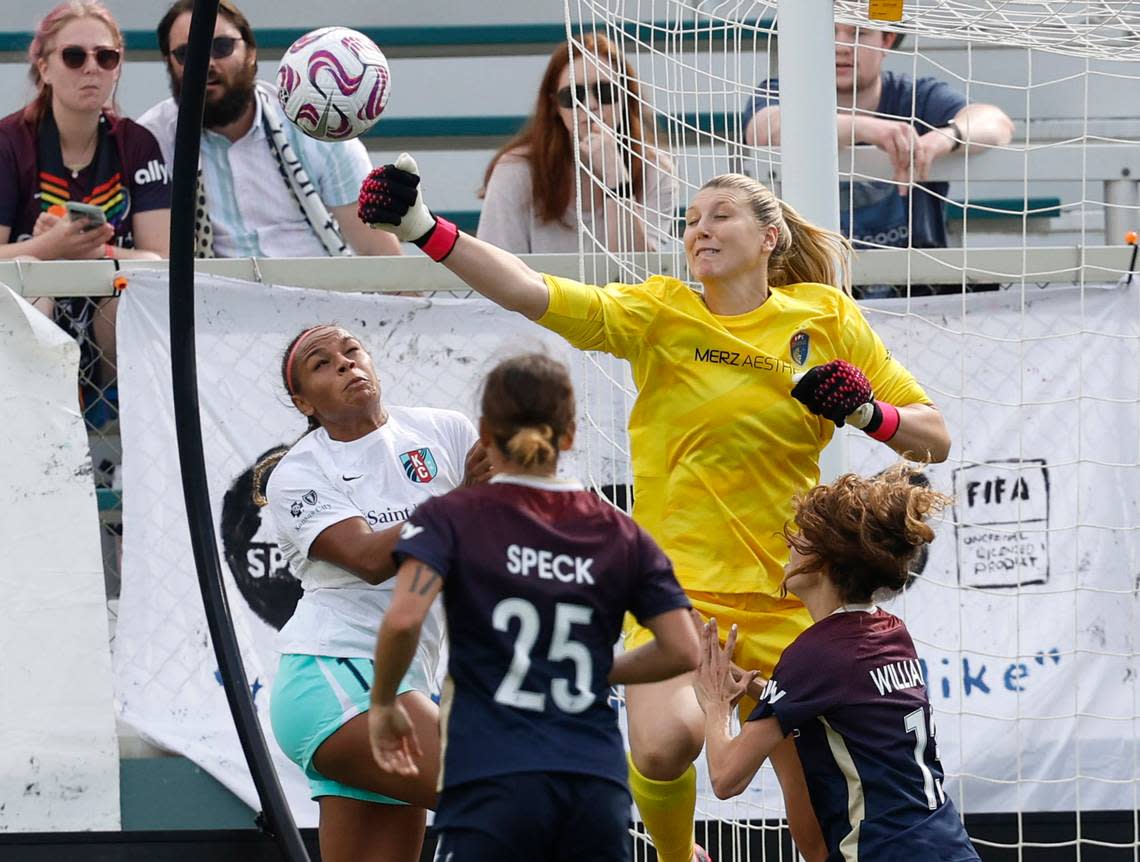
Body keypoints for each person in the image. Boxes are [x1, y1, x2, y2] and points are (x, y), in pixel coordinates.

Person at [358, 155, 952, 862]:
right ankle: (676, 857)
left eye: (720, 215)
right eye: (690, 219)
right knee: (670, 743)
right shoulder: (660, 312)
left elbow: (934, 437)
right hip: (680, 595)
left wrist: (866, 411)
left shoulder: (825, 318)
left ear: (769, 239)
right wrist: (424, 228)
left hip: (794, 600)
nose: (699, 229)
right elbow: (529, 290)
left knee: (816, 833)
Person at [369, 353, 700, 862]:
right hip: (594, 780)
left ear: (484, 431)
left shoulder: (450, 516)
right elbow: (682, 649)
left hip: (491, 777)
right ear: (569, 434)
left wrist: (385, 704)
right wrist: (599, 670)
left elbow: (404, 619)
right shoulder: (620, 531)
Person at [258, 324, 489, 862]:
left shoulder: (444, 430)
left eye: (351, 350)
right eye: (321, 363)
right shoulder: (298, 473)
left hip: (404, 681)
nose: (344, 364)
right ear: (303, 402)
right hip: (337, 678)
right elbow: (368, 559)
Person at [694, 464, 981, 862]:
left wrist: (714, 703)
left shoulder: (815, 654)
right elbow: (842, 704)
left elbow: (726, 778)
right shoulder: (891, 632)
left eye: (799, 538)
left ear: (823, 560)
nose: (788, 547)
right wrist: (761, 689)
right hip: (948, 846)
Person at [0, 0, 171, 424]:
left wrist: (95, 255)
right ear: (44, 67)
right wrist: (47, 248)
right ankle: (35, 430)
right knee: (31, 281)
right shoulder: (8, 142)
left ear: (118, 66)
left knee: (131, 294)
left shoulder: (137, 144)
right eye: (74, 56)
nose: (91, 68)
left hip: (106, 336)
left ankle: (135, 437)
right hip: (28, 331)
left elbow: (161, 260)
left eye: (105, 56)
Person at [139, 0, 400, 260]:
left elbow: (376, 249)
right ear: (169, 63)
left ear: (251, 51)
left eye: (221, 47)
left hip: (320, 293)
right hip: (214, 298)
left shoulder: (312, 121)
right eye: (187, 53)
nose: (206, 63)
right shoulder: (152, 139)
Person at [743, 23, 1014, 254]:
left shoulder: (916, 95)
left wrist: (942, 138)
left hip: (914, 289)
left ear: (887, 40)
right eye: (828, 32)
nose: (841, 47)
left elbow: (996, 122)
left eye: (859, 33)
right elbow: (762, 128)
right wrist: (867, 129)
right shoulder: (783, 91)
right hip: (814, 286)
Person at [477, 32, 677, 253]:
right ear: (554, 105)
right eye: (572, 96)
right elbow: (497, 268)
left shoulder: (655, 169)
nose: (590, 105)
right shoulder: (516, 169)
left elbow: (639, 275)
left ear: (626, 95)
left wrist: (616, 180)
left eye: (605, 91)